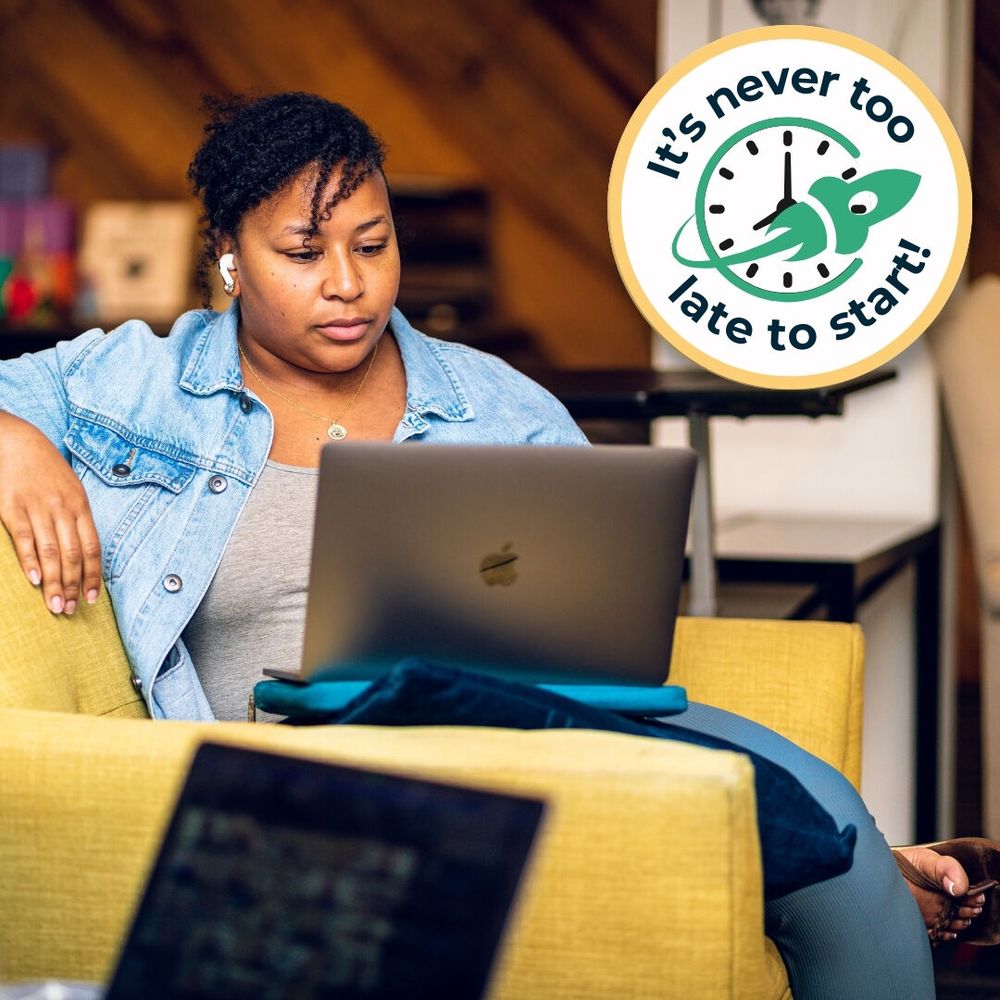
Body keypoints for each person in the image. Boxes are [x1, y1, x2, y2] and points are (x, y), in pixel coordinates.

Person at [0, 91, 991, 998]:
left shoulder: (498, 406)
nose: (347, 284)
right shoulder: (138, 382)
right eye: (303, 254)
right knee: (823, 848)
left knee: (816, 802)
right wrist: (12, 441)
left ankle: (851, 865)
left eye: (373, 244)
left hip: (515, 748)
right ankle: (864, 871)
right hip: (319, 778)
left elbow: (590, 630)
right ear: (228, 256)